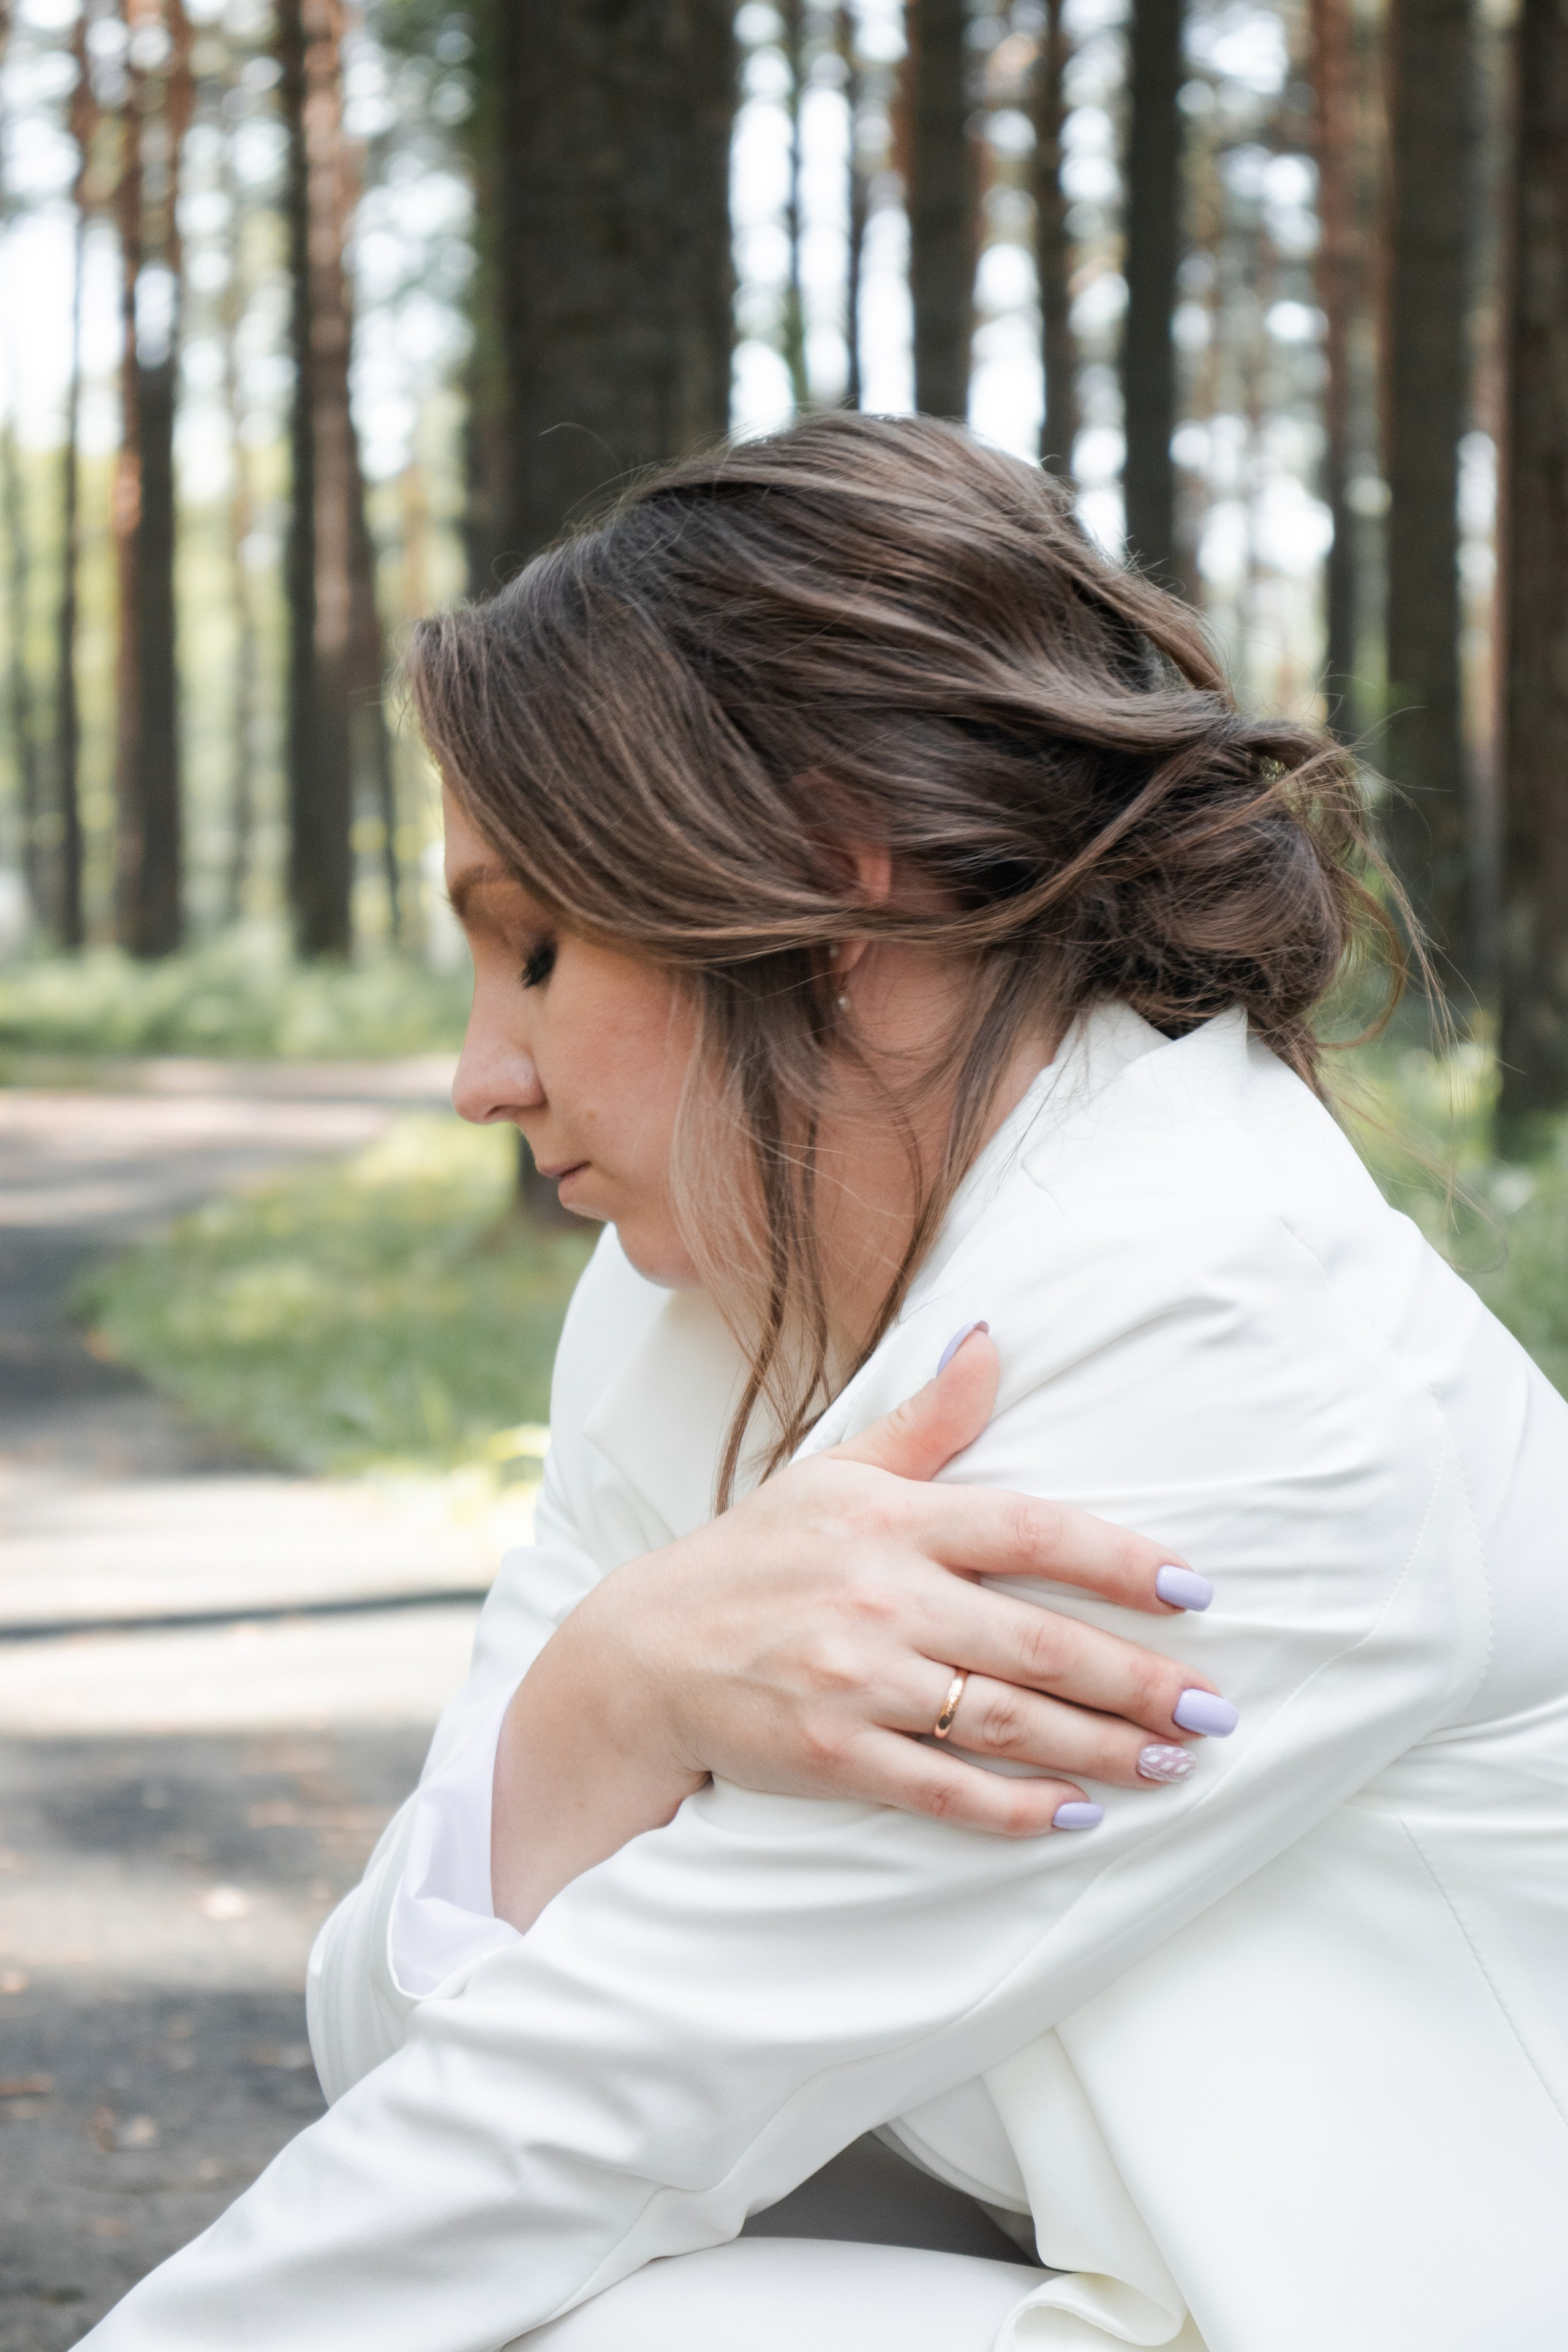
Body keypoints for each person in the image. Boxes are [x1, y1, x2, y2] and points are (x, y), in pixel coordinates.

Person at [83, 417, 1568, 2352]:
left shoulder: (1228, 1338)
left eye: (533, 949)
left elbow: (596, 2104)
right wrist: (602, 1697)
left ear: (826, 881)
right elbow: (396, 2042)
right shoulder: (688, 1292)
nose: (478, 1076)